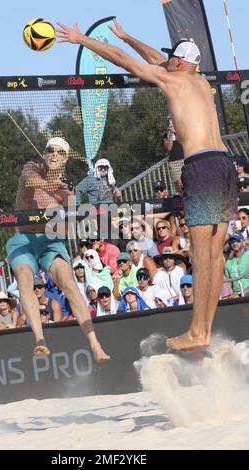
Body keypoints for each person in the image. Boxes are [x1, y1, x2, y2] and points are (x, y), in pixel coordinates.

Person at [56, 19, 238, 351]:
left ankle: (197, 331)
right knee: (215, 256)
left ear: (179, 62)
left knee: (199, 256)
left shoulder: (170, 79)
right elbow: (157, 57)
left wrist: (82, 39)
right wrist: (129, 36)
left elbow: (121, 59)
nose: (166, 60)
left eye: (172, 58)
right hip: (225, 163)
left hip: (202, 166)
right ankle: (205, 331)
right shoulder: (198, 81)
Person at [6, 136, 109, 361]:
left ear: (64, 159)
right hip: (23, 238)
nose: (54, 154)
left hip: (50, 240)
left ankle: (95, 343)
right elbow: (33, 182)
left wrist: (67, 199)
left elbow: (66, 229)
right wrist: (59, 188)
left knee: (69, 284)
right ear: (44, 153)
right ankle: (40, 340)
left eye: (59, 153)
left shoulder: (66, 191)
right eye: (50, 150)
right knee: (24, 278)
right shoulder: (32, 168)